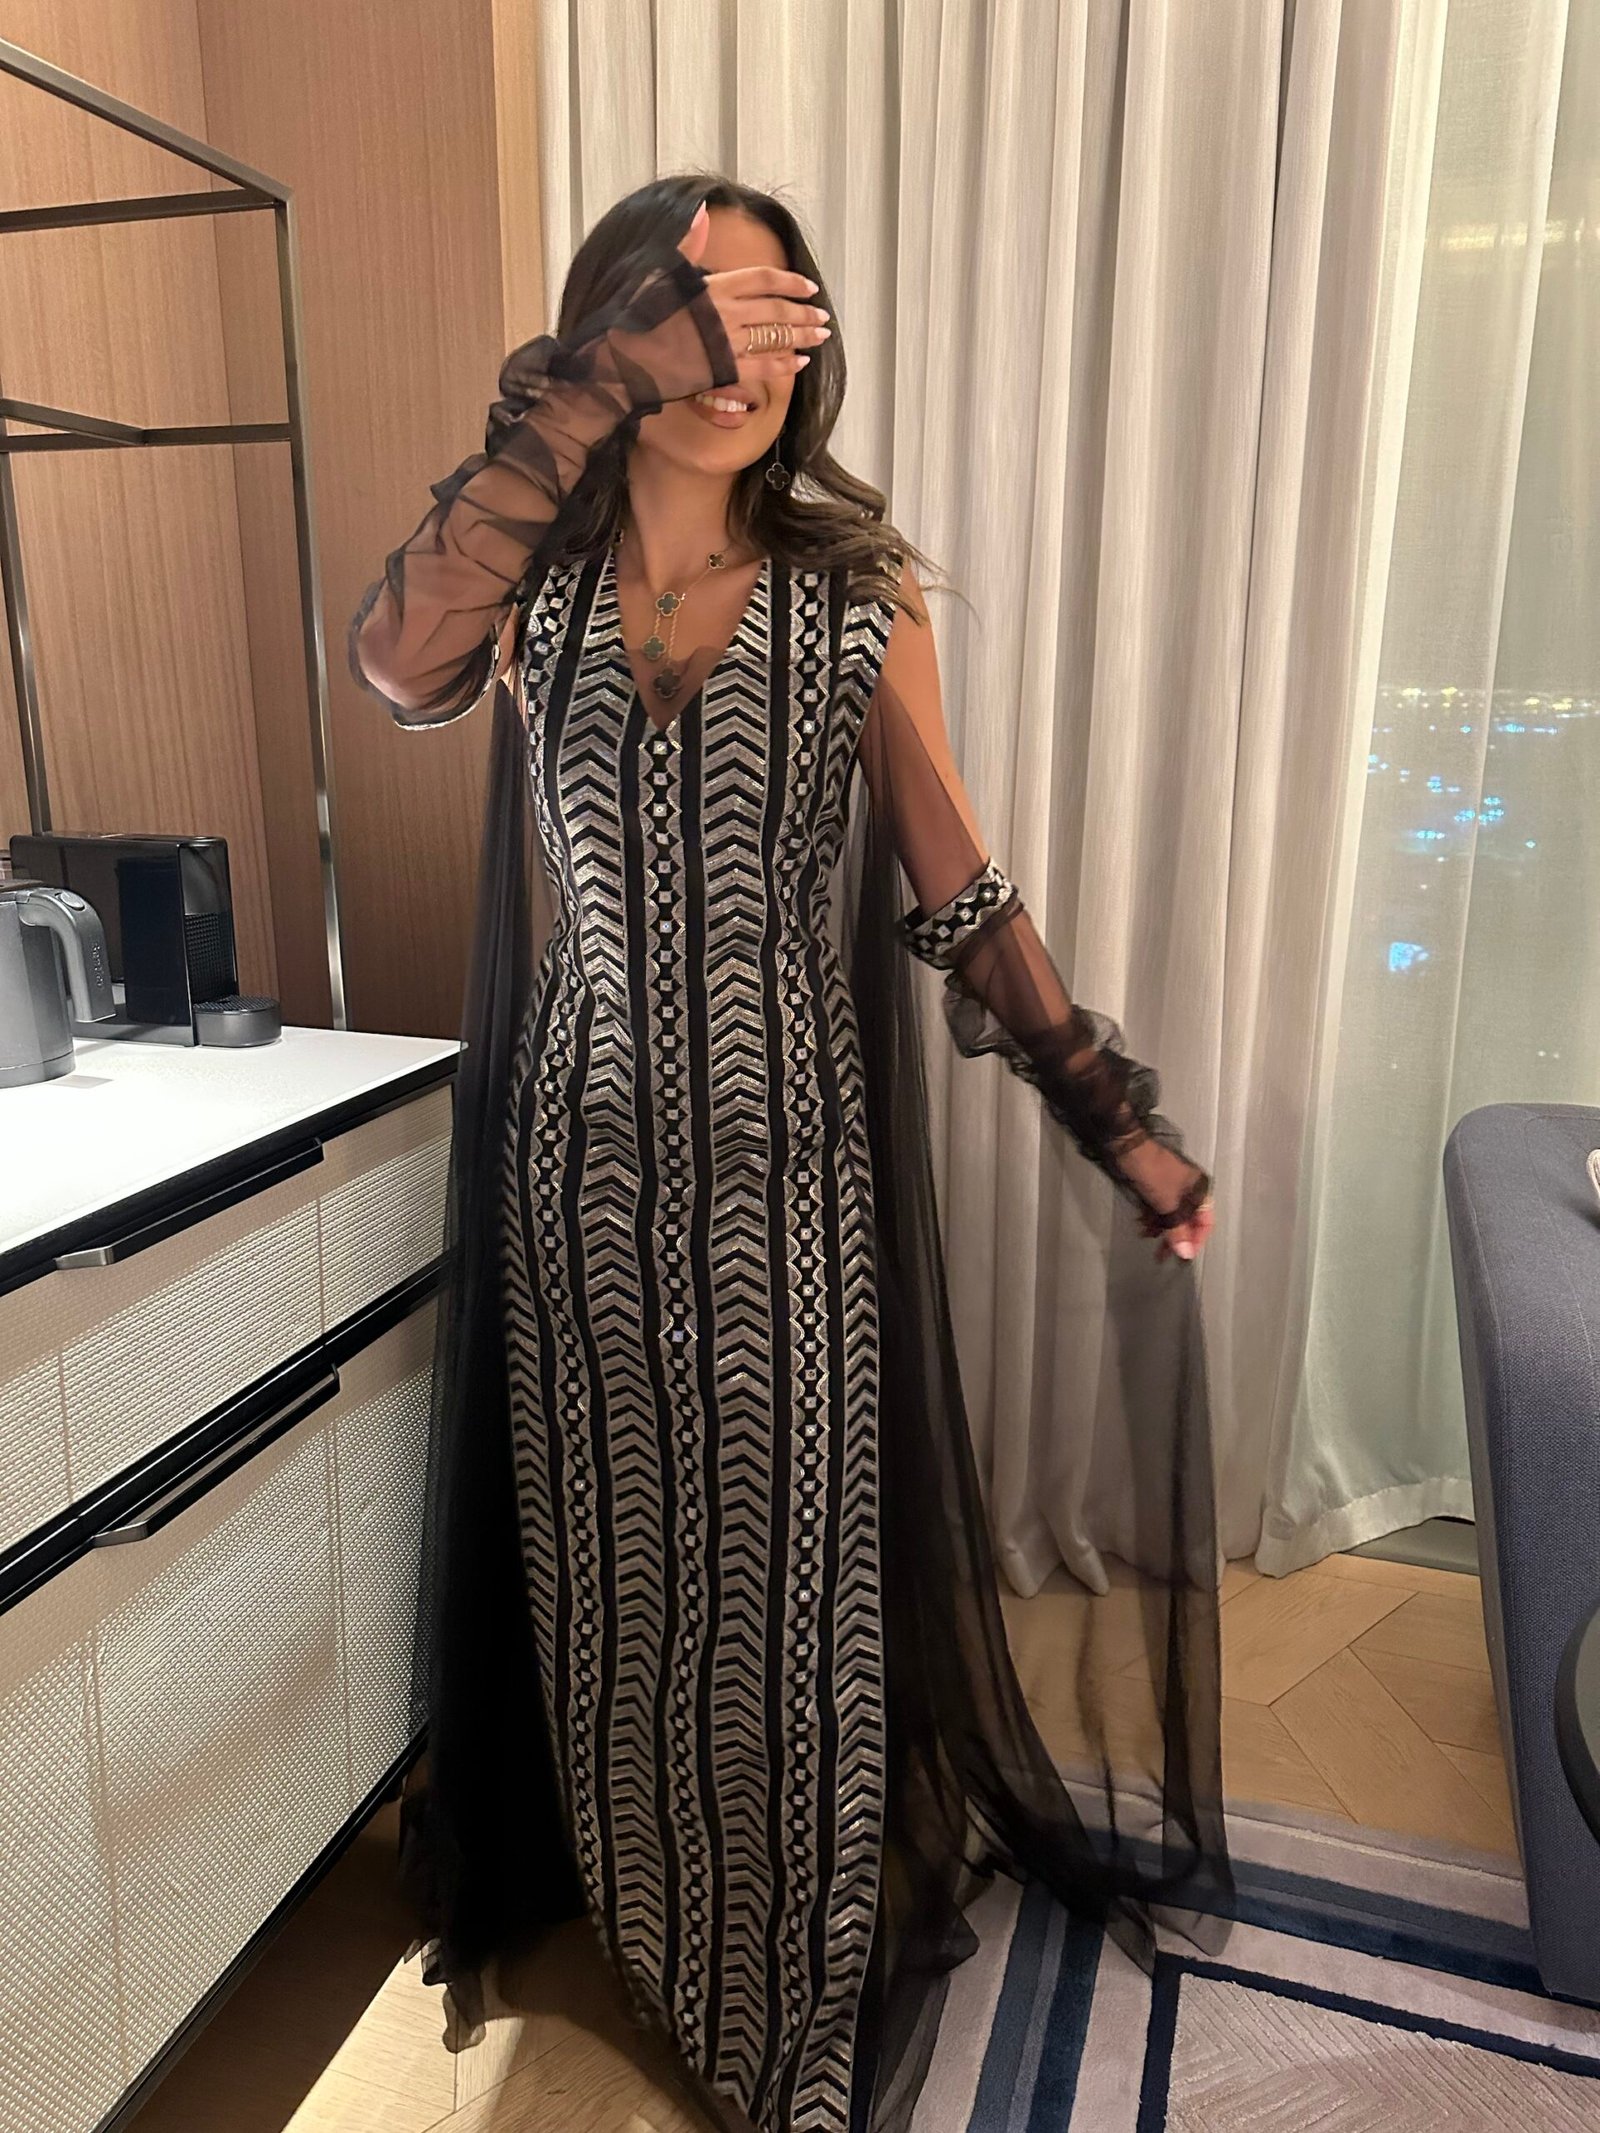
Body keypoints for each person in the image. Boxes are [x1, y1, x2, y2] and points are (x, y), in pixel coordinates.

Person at [349, 173, 1229, 2133]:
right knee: (618, 1575)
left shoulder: (852, 598)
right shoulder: (528, 585)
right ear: (618, 327)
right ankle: (653, 1911)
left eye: (778, 310)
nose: (744, 348)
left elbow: (958, 891)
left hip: (787, 1180)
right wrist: (583, 402)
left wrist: (1114, 1117)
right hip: (577, 1178)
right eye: (701, 307)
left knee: (782, 1591)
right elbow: (396, 664)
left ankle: (790, 1992)